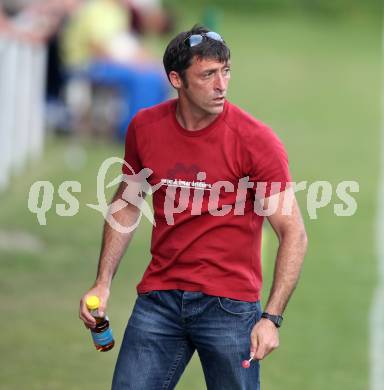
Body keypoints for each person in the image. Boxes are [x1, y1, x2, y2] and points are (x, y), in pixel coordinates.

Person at [79, 25, 308, 389]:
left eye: (226, 71)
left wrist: (271, 318)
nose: (221, 85)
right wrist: (103, 282)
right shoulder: (145, 128)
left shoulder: (256, 141)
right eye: (208, 75)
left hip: (230, 308)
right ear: (176, 79)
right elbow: (126, 204)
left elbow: (293, 231)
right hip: (159, 300)